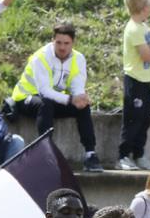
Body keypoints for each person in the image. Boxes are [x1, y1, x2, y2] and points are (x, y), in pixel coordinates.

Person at [9, 24, 100, 172]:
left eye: (66, 43)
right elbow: (44, 91)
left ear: (73, 43)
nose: (62, 47)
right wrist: (71, 99)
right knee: (45, 103)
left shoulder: (79, 59)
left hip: (53, 100)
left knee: (83, 108)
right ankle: (46, 153)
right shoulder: (41, 56)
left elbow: (77, 87)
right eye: (58, 42)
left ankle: (91, 155)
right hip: (25, 97)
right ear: (52, 41)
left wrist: (79, 98)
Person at [121, 0, 150, 171]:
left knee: (145, 119)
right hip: (134, 79)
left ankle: (139, 154)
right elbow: (147, 55)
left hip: (145, 79)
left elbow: (149, 51)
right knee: (133, 119)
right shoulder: (134, 29)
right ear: (143, 7)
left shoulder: (143, 27)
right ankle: (123, 155)